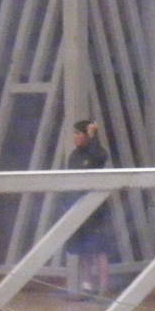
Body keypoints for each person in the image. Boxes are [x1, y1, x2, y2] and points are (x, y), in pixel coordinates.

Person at [64, 118, 113, 296]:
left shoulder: (97, 152)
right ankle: (87, 286)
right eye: (74, 133)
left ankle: (104, 288)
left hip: (96, 210)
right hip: (78, 206)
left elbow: (99, 158)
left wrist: (94, 137)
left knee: (99, 249)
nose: (75, 137)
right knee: (83, 249)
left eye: (79, 133)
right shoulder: (74, 156)